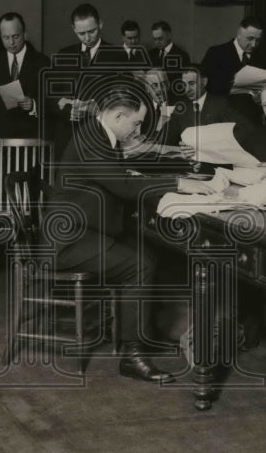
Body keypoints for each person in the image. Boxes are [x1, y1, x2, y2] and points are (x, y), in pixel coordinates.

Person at [51, 85, 206, 383]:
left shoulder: (96, 134)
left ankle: (141, 331)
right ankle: (132, 357)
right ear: (119, 115)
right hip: (70, 240)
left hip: (86, 230)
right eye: (135, 123)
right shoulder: (92, 139)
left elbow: (118, 177)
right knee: (138, 265)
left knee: (147, 252)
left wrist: (159, 179)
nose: (137, 130)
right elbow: (121, 184)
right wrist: (179, 184)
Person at [49, 3, 128, 155]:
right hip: (67, 138)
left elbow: (124, 96)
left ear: (100, 24)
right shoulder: (63, 55)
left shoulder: (117, 54)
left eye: (92, 31)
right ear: (73, 28)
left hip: (100, 136)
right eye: (81, 33)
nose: (87, 38)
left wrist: (97, 106)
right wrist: (67, 110)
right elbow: (49, 96)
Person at [0, 12, 50, 141]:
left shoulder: (43, 63)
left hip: (33, 140)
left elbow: (55, 102)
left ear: (25, 34)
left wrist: (34, 105)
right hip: (0, 139)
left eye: (15, 36)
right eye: (6, 38)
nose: (11, 42)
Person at [201, 16, 266, 125]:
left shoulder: (262, 58)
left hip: (250, 122)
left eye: (258, 40)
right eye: (250, 39)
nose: (254, 44)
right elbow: (205, 87)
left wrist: (260, 97)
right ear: (239, 34)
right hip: (220, 120)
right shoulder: (216, 53)